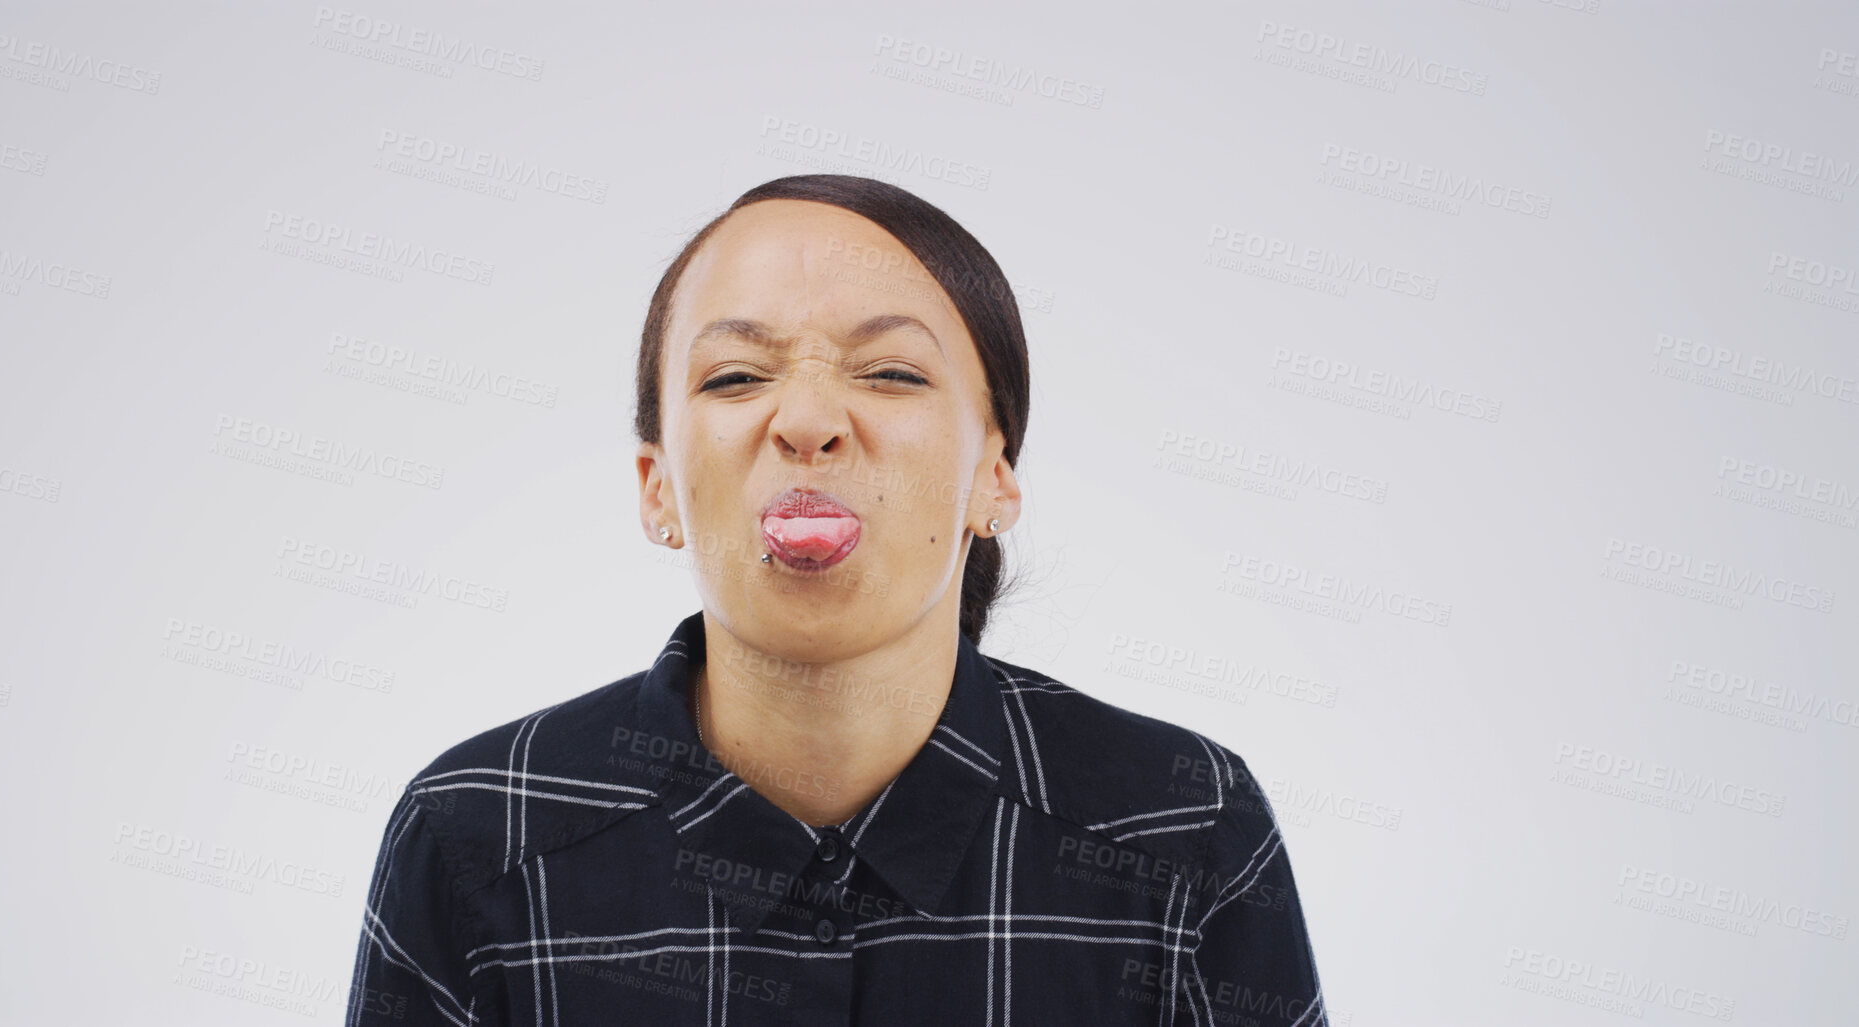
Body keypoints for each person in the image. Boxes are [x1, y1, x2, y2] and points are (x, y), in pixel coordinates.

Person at [347, 174, 1329, 1026]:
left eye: (892, 372)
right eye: (735, 375)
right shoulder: (478, 835)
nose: (809, 421)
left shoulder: (1186, 825)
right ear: (657, 487)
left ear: (995, 473)